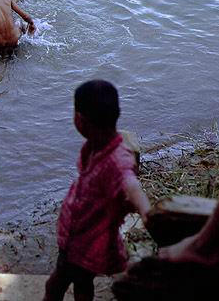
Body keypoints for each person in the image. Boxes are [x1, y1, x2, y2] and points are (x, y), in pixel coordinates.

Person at [43, 80, 151, 301]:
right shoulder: (96, 145)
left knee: (55, 285)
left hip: (87, 242)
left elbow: (130, 184)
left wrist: (145, 209)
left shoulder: (117, 160)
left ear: (80, 120)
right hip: (78, 237)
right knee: (82, 284)